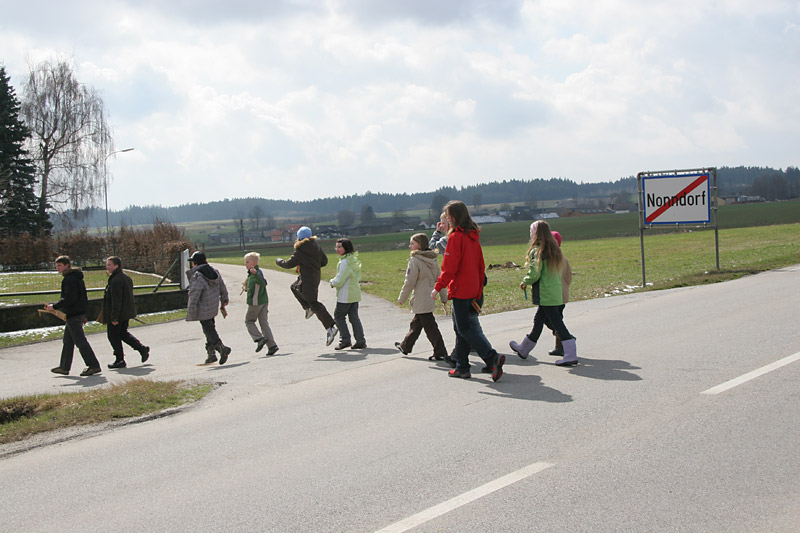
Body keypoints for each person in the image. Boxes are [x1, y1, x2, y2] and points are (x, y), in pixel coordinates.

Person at [431, 200, 504, 381]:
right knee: (461, 328)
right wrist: (478, 289)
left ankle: (491, 357)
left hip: (460, 289)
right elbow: (481, 265)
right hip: (472, 288)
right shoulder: (472, 236)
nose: (447, 219)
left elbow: (449, 267)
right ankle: (462, 366)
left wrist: (438, 287)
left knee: (464, 328)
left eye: (448, 216)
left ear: (454, 217)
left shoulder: (456, 237)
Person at [509, 221, 578, 366]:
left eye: (531, 231)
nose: (530, 233)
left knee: (557, 324)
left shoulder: (538, 251)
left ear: (536, 233)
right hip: (554, 292)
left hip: (545, 293)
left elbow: (535, 273)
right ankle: (524, 349)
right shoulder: (555, 251)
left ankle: (571, 353)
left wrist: (525, 281)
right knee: (539, 320)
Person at [276, 226, 338, 346]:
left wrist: (278, 261)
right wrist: (313, 265)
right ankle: (307, 308)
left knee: (314, 303)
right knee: (294, 287)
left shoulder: (300, 250)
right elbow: (324, 261)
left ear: (298, 237)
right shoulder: (317, 247)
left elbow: (288, 264)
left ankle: (330, 327)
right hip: (314, 277)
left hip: (307, 280)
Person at [47, 255, 102, 377]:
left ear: (67, 265)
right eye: (56, 266)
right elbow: (83, 297)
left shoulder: (69, 279)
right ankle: (64, 367)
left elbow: (68, 298)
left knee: (80, 341)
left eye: (60, 266)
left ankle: (93, 365)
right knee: (68, 341)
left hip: (74, 314)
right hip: (77, 313)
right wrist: (84, 313)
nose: (58, 268)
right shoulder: (76, 278)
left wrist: (54, 306)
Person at [396, 233, 447, 360]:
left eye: (412, 243)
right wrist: (443, 296)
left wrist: (402, 298)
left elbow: (409, 281)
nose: (410, 246)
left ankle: (440, 351)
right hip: (430, 296)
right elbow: (440, 279)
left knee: (430, 326)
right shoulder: (433, 259)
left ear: (419, 245)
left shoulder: (415, 260)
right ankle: (405, 345)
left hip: (420, 297)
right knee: (416, 323)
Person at [103, 256, 151, 369]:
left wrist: (114, 317)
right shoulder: (125, 277)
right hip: (125, 312)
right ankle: (141, 349)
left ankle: (120, 359)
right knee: (122, 334)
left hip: (118, 314)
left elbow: (116, 300)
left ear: (116, 266)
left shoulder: (116, 280)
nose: (107, 267)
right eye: (107, 264)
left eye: (109, 264)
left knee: (113, 336)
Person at [186, 251, 231, 365]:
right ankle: (211, 354)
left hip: (203, 306)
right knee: (210, 327)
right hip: (213, 305)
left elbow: (194, 293)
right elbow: (222, 285)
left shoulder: (197, 275)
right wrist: (224, 298)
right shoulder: (214, 271)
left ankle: (221, 348)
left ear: (195, 263)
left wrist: (191, 310)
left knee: (208, 329)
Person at [329, 238, 367, 350]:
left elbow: (340, 279)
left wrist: (332, 282)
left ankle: (345, 339)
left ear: (346, 248)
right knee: (354, 317)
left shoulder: (345, 262)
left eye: (340, 247)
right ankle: (360, 340)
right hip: (354, 293)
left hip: (345, 295)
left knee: (339, 316)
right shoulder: (352, 259)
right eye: (336, 247)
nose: (337, 249)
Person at [244, 252, 279, 355]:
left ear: (254, 263)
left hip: (256, 302)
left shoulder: (256, 273)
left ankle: (259, 338)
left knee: (249, 321)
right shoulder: (253, 273)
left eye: (247, 262)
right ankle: (272, 345)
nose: (245, 264)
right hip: (263, 300)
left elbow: (263, 282)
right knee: (263, 322)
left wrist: (255, 274)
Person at [544, 231, 572, 357]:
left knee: (552, 320)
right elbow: (569, 276)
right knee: (557, 319)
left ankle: (565, 337)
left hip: (554, 295)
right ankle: (560, 344)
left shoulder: (553, 259)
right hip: (562, 294)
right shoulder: (563, 258)